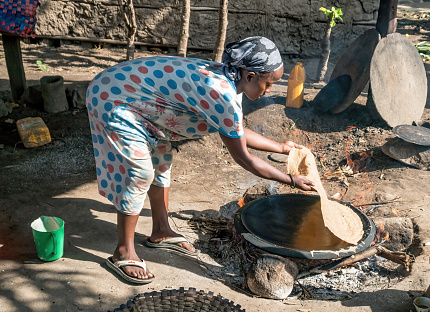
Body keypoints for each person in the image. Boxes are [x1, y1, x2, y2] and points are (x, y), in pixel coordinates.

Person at [86, 36, 314, 284]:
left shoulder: (231, 81)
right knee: (140, 173)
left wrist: (281, 147)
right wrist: (290, 179)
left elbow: (235, 130)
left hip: (142, 104)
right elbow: (244, 158)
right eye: (268, 84)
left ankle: (161, 231)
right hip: (113, 97)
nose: (269, 91)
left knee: (161, 162)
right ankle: (123, 252)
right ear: (249, 75)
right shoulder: (221, 93)